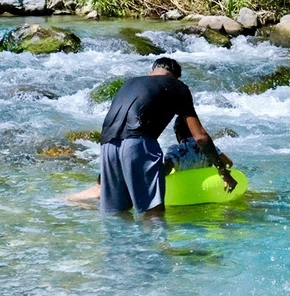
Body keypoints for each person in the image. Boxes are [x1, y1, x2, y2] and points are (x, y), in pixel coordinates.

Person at [99, 57, 236, 213]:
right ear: (177, 78)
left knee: (116, 214)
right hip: (138, 143)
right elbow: (200, 137)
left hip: (107, 144)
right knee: (152, 214)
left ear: (150, 73)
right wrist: (222, 172)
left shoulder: (129, 83)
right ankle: (153, 238)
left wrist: (102, 177)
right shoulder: (177, 86)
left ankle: (121, 238)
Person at [65, 116, 234, 203]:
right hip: (207, 190)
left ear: (178, 135)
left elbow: (165, 169)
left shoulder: (178, 150)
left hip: (184, 192)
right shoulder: (211, 149)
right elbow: (228, 163)